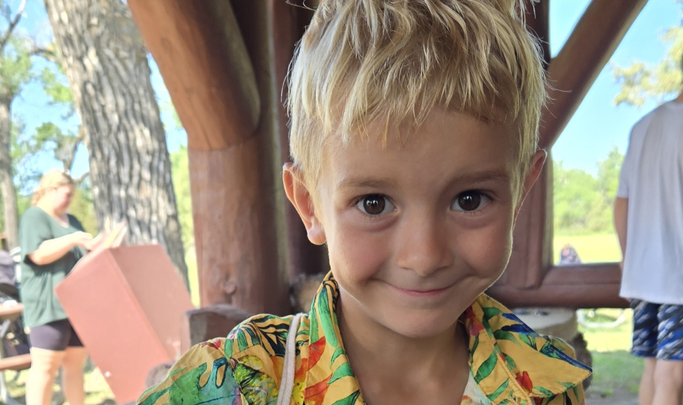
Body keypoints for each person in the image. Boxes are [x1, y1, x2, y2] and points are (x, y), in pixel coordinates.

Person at [138, 1, 591, 404]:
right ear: (310, 205)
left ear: (521, 192)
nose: (424, 257)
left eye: (469, 200)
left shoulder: (548, 384)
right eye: (374, 203)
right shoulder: (230, 385)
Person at [614, 55, 683, 405]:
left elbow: (621, 203)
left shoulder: (642, 127)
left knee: (652, 369)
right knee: (672, 375)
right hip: (677, 276)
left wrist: (627, 258)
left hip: (641, 274)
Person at [19, 170, 102, 405]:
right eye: (66, 194)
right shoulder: (34, 217)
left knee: (75, 365)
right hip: (48, 305)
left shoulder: (72, 221)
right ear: (50, 190)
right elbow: (37, 254)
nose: (69, 200)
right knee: (45, 366)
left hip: (76, 305)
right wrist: (73, 239)